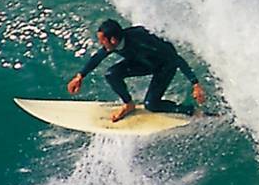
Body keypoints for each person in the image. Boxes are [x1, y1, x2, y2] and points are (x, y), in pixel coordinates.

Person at [67, 18, 208, 123]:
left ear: (113, 39)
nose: (101, 43)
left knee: (151, 105)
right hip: (143, 63)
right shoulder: (114, 44)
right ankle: (128, 104)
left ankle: (192, 111)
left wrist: (195, 83)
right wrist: (80, 76)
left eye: (102, 40)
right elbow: (98, 57)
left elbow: (175, 57)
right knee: (111, 74)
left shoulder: (141, 39)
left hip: (165, 65)